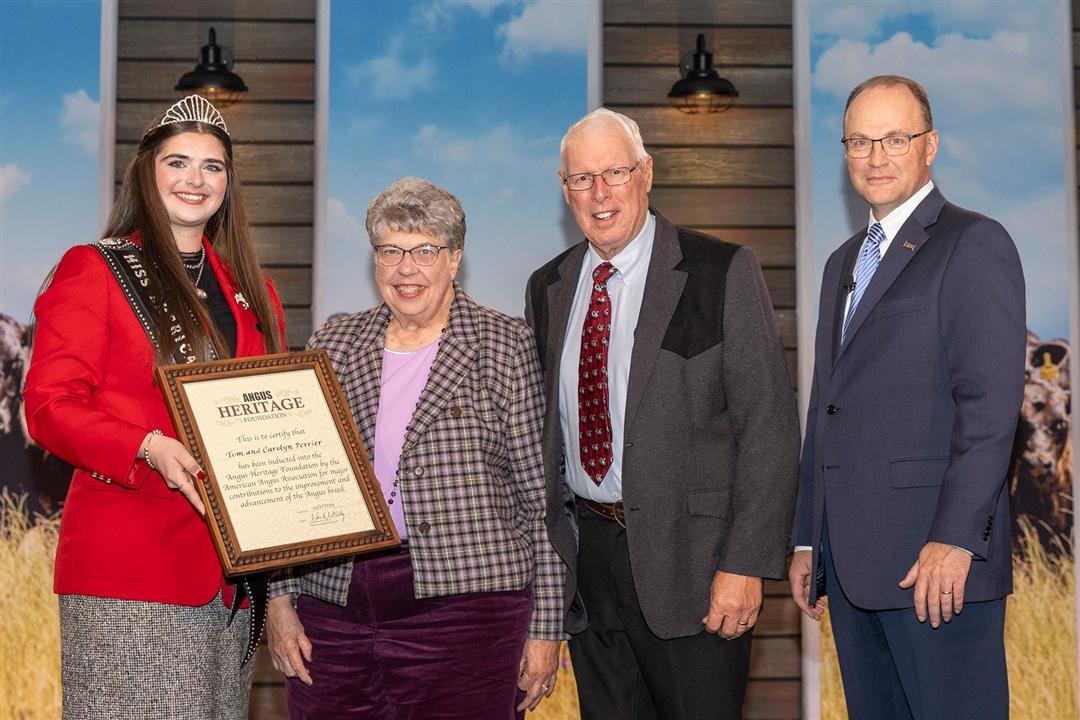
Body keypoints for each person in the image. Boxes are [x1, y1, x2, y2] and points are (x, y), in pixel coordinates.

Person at [525, 108, 800, 719]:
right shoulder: (548, 286)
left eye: (615, 172)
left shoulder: (720, 270)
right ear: (565, 189)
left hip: (696, 570)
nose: (600, 193)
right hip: (589, 568)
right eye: (581, 179)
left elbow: (769, 428)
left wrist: (745, 564)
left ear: (646, 173)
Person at [23, 95, 286, 719]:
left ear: (229, 182)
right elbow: (49, 405)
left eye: (213, 167)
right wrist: (147, 445)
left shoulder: (254, 290)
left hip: (231, 585)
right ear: (148, 171)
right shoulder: (95, 269)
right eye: (178, 162)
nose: (196, 180)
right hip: (131, 569)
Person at [266, 177, 563, 719]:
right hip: (332, 607)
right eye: (391, 251)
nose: (407, 269)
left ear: (454, 259)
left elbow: (539, 500)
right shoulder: (333, 342)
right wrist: (280, 601)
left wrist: (545, 630)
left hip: (469, 609)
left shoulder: (504, 344)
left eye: (425, 250)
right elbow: (291, 491)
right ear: (375, 259)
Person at [789, 75, 1025, 719]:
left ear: (931, 145)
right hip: (854, 567)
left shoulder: (974, 244)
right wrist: (809, 538)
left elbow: (989, 411)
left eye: (895, 138)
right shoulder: (842, 263)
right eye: (860, 141)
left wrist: (954, 539)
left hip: (937, 568)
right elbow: (826, 407)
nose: (876, 156)